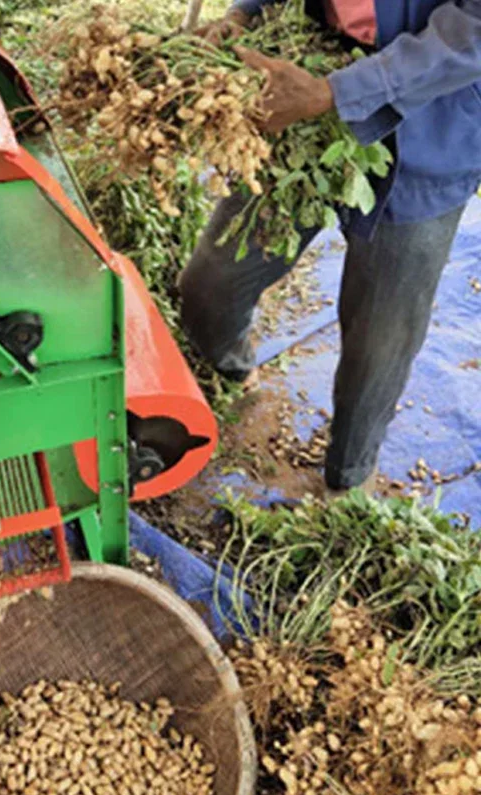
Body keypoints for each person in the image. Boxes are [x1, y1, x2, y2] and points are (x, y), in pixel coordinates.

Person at [180, 0, 481, 495]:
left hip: (431, 123)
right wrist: (247, 14)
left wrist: (335, 93)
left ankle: (348, 478)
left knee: (380, 338)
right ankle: (230, 372)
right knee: (211, 282)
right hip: (306, 84)